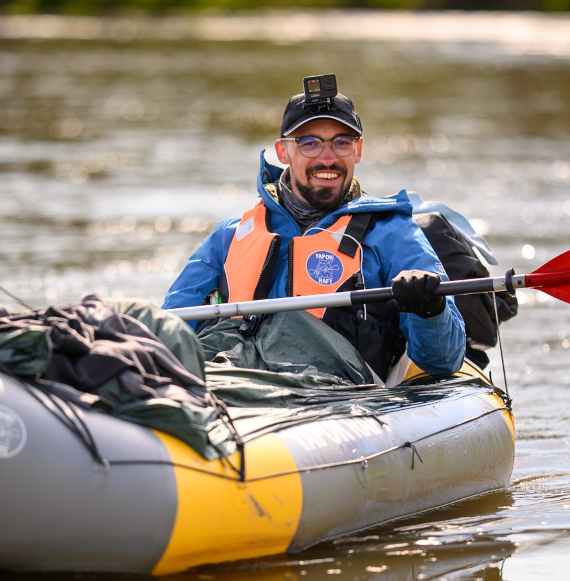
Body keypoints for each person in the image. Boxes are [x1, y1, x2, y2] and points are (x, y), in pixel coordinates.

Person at [162, 74, 465, 382]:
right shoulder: (229, 235)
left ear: (358, 151)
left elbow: (444, 361)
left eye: (342, 143)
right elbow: (166, 333)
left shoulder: (394, 233)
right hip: (234, 386)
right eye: (309, 144)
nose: (328, 157)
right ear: (283, 152)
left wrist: (431, 310)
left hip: (335, 400)